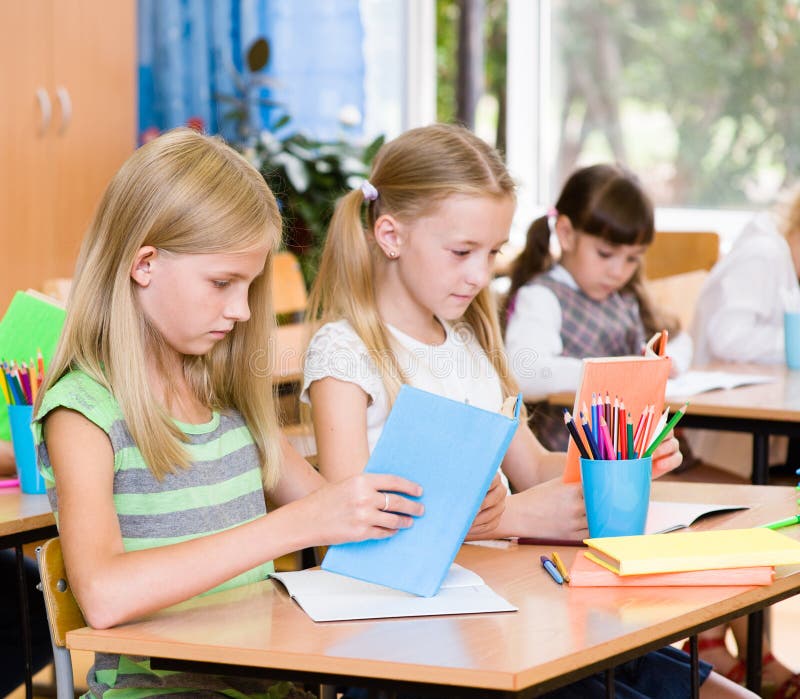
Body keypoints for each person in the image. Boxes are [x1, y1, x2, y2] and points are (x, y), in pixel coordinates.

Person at [301, 123, 753, 699]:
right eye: (462, 252)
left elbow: (534, 468)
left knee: (700, 684)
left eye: (491, 253)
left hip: (504, 607)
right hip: (412, 641)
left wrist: (620, 456)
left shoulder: (468, 345)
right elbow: (352, 519)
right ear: (389, 235)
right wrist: (507, 520)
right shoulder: (346, 353)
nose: (479, 274)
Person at [31, 128, 427, 698]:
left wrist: (456, 511)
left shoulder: (226, 399)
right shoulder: (83, 412)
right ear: (144, 264)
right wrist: (291, 526)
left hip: (264, 683)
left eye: (248, 285)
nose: (241, 310)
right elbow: (104, 594)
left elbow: (339, 522)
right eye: (222, 283)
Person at [685, 193, 800, 697]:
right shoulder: (762, 255)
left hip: (736, 437)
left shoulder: (778, 259)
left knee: (759, 523)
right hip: (714, 439)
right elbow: (729, 336)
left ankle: (753, 651)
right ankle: (711, 644)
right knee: (745, 522)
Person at [503, 164, 693, 451]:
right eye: (605, 254)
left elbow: (680, 336)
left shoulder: (623, 296)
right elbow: (523, 372)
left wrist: (670, 362)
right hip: (567, 463)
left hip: (629, 454)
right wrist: (613, 374)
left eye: (632, 258)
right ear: (566, 234)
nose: (619, 271)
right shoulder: (542, 297)